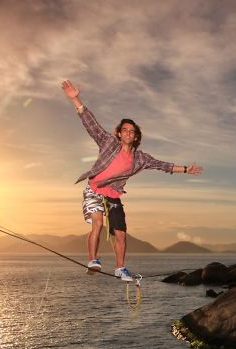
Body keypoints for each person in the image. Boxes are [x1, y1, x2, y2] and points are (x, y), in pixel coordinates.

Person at [61, 79, 202, 282]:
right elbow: (91, 124)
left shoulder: (140, 158)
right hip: (94, 189)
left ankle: (121, 269)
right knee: (98, 224)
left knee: (121, 234)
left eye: (132, 131)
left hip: (114, 195)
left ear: (135, 137)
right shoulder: (109, 143)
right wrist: (76, 100)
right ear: (119, 133)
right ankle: (93, 260)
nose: (128, 133)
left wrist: (187, 169)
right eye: (124, 130)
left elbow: (162, 165)